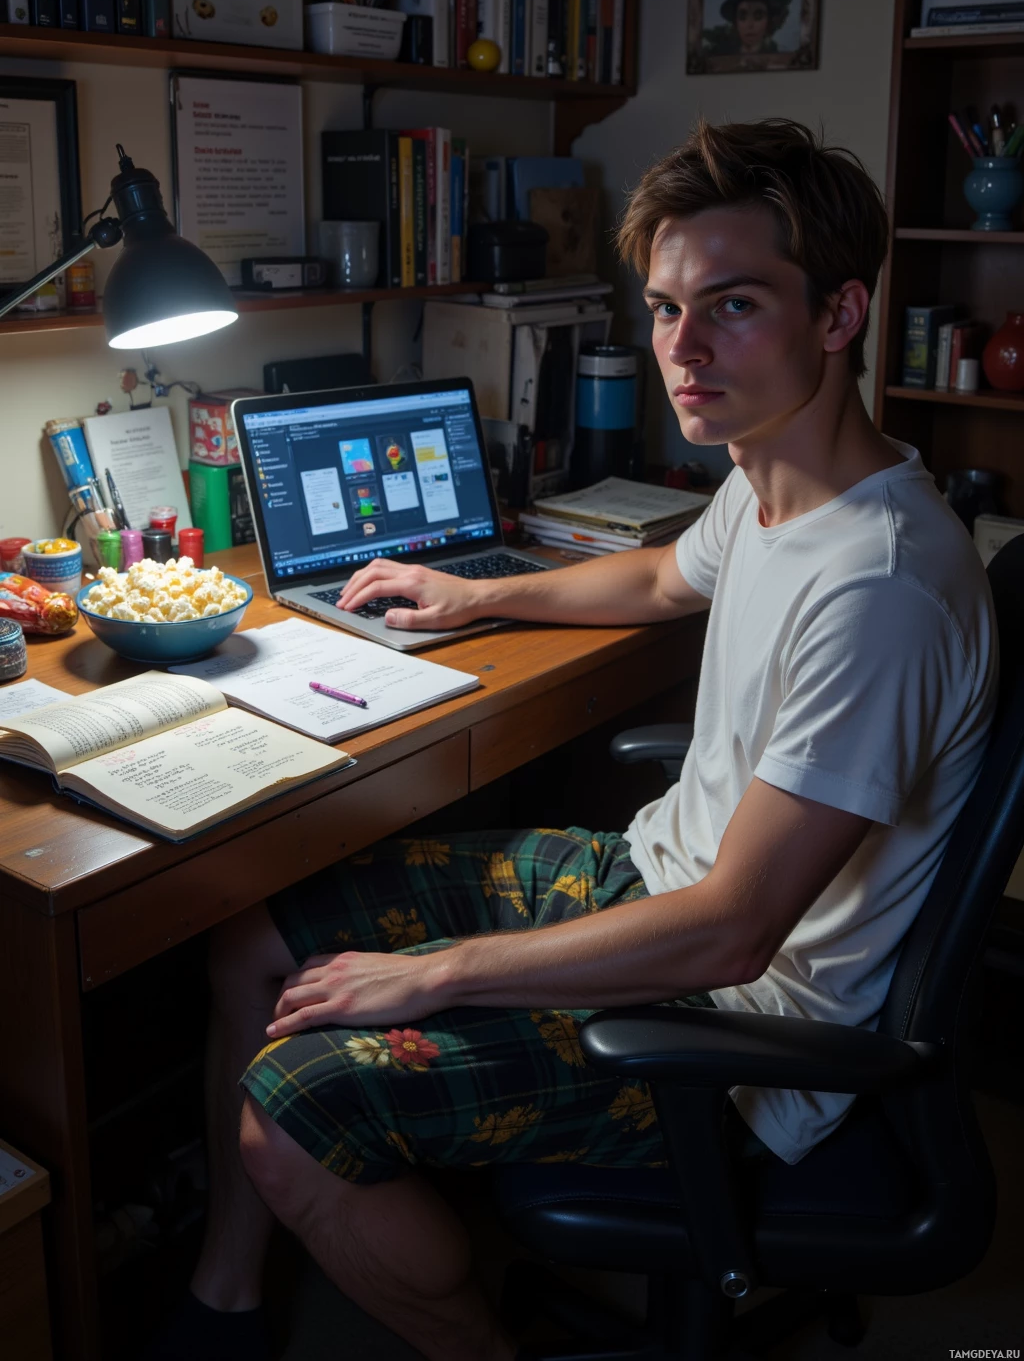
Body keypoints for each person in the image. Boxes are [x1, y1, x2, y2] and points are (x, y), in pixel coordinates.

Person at [148, 119, 996, 1361]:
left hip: (739, 1022)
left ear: (839, 314)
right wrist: (475, 594)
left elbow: (736, 927)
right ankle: (226, 1298)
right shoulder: (773, 479)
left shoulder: (878, 584)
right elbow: (661, 582)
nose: (681, 352)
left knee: (286, 1113)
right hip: (659, 879)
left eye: (733, 305)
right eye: (663, 308)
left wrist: (436, 973)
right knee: (254, 940)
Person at [703, 0, 791, 57]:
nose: (749, 25)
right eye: (742, 17)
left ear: (769, 21)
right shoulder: (714, 50)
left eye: (758, 16)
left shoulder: (778, 54)